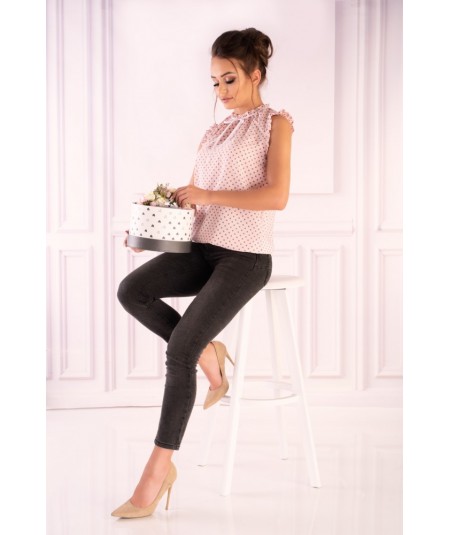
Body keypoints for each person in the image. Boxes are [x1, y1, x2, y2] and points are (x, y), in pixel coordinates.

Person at [111, 27, 294, 518]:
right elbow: (195, 201)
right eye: (215, 82)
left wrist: (208, 194)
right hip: (201, 247)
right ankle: (209, 352)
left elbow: (276, 196)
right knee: (132, 290)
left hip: (245, 257)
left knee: (179, 351)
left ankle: (157, 472)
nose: (221, 91)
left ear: (255, 74)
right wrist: (147, 229)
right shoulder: (214, 132)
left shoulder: (276, 123)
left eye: (229, 79)